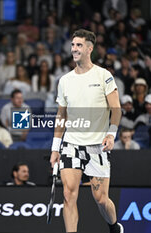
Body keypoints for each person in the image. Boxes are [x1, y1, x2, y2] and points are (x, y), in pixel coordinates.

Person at [50, 29, 123, 233]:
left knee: (101, 199)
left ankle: (114, 226)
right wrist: (55, 148)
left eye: (79, 45)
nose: (74, 49)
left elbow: (116, 110)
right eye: (73, 45)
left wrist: (111, 133)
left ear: (90, 48)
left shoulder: (103, 76)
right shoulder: (64, 80)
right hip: (71, 145)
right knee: (68, 194)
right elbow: (61, 116)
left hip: (97, 147)